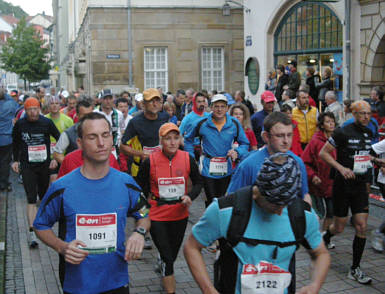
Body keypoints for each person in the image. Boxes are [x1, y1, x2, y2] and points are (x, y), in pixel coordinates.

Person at [33, 112, 150, 294]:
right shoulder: (62, 188)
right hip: (78, 285)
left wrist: (139, 232)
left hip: (117, 283)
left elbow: (143, 213)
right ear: (79, 143)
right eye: (92, 137)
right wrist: (61, 246)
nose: (101, 143)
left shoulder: (126, 183)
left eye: (105, 135)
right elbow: (40, 225)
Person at [184, 153, 330, 294]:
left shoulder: (302, 215)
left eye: (285, 204)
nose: (280, 212)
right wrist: (208, 289)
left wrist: (314, 285)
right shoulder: (225, 210)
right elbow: (191, 247)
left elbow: (321, 254)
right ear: (258, 192)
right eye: (274, 205)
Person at [136, 123, 202, 294]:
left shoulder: (187, 158)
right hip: (157, 214)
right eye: (168, 139)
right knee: (167, 257)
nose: (172, 142)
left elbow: (198, 183)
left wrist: (190, 196)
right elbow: (139, 187)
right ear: (161, 141)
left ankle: (164, 266)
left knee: (172, 254)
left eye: (175, 138)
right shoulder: (150, 161)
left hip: (180, 214)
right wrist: (145, 209)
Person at [319, 100, 374, 285]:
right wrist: (341, 168)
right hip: (342, 186)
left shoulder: (369, 131)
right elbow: (323, 153)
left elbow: (363, 154)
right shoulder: (342, 131)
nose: (366, 117)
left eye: (369, 113)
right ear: (354, 114)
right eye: (362, 113)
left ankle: (355, 268)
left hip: (359, 186)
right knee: (339, 227)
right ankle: (326, 236)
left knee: (361, 225)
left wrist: (375, 161)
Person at [120, 88, 169, 249]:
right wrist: (141, 154)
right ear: (143, 104)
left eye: (158, 100)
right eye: (151, 101)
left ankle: (158, 227)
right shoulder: (136, 122)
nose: (155, 104)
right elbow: (123, 146)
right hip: (140, 168)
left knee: (158, 197)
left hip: (160, 165)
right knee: (142, 201)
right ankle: (143, 231)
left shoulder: (165, 117)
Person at [11, 97, 60, 248]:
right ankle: (32, 234)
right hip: (27, 166)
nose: (33, 112)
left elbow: (60, 139)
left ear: (39, 109)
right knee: (31, 198)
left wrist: (55, 158)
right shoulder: (21, 124)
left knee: (44, 196)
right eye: (29, 110)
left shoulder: (46, 122)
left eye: (35, 109)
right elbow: (15, 143)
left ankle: (44, 228)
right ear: (25, 111)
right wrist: (15, 161)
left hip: (44, 165)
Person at [184, 94, 249, 207]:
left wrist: (237, 152)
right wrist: (191, 158)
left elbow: (245, 144)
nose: (219, 109)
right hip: (207, 168)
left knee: (224, 201)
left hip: (226, 168)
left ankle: (221, 223)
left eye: (222, 106)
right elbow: (187, 139)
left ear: (227, 108)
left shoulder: (234, 123)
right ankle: (211, 222)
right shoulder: (202, 123)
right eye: (216, 106)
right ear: (211, 107)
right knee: (211, 202)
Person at [301, 112, 337, 238]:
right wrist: (313, 176)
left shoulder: (337, 139)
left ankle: (325, 237)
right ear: (321, 125)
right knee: (319, 213)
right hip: (318, 184)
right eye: (328, 121)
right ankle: (312, 234)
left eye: (332, 121)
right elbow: (304, 162)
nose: (331, 124)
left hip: (332, 182)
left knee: (331, 212)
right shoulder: (315, 141)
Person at [53, 99, 94, 164]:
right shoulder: (69, 133)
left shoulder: (98, 130)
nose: (87, 118)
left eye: (90, 115)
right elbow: (57, 154)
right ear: (77, 115)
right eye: (84, 115)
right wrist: (71, 166)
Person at [45, 96, 74, 182]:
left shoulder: (68, 120)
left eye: (56, 103)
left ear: (60, 106)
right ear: (48, 106)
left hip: (63, 156)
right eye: (52, 103)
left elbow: (72, 139)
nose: (54, 106)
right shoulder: (44, 119)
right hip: (46, 156)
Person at [94, 89, 124, 156]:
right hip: (100, 148)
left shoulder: (119, 114)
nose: (108, 101)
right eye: (105, 99)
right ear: (101, 100)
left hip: (115, 149)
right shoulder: (95, 113)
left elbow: (122, 130)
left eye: (110, 98)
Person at [0, 89, 18, 191]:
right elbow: (14, 103)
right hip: (6, 138)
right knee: (5, 162)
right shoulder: (10, 105)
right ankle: (3, 183)